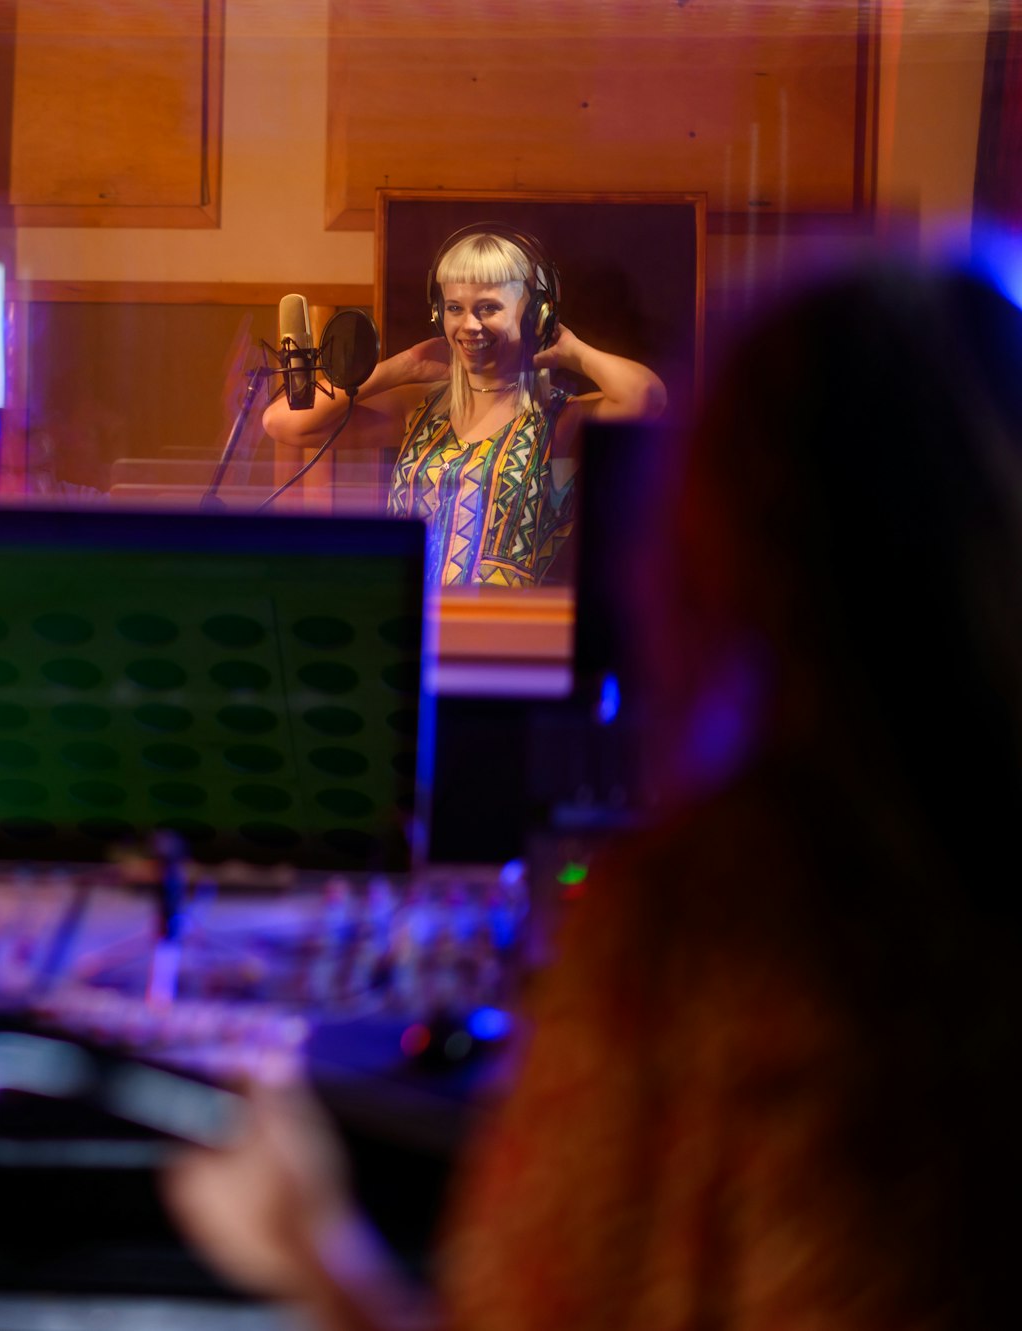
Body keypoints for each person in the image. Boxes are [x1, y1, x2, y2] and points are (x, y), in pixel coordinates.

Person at [168, 260, 1022, 1330]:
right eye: (451, 301)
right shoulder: (424, 401)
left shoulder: (700, 921)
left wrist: (306, 1245)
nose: (467, 322)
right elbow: (302, 429)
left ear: (712, 540)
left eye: (490, 301)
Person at [264, 228, 665, 587]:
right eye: (455, 308)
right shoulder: (420, 408)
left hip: (503, 648)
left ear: (535, 316)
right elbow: (285, 422)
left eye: (489, 307)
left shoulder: (559, 417)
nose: (470, 324)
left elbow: (645, 397)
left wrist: (572, 351)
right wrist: (401, 366)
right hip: (407, 633)